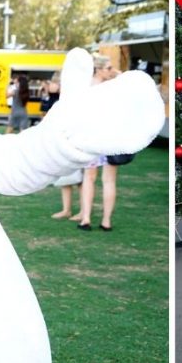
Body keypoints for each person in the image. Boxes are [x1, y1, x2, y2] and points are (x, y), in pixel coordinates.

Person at [74, 54, 120, 231]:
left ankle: (86, 218)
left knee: (89, 178)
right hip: (108, 138)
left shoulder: (87, 87)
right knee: (108, 181)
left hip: (91, 137)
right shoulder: (113, 87)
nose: (112, 71)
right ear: (99, 69)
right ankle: (105, 221)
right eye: (109, 68)